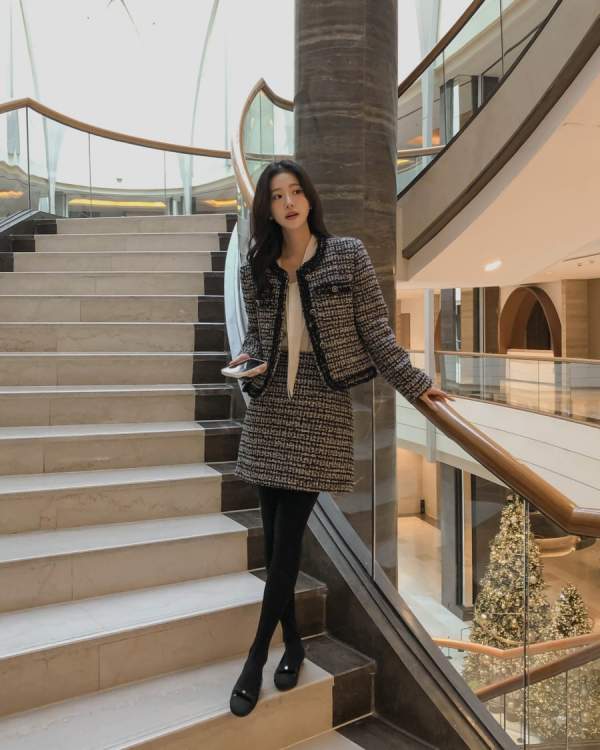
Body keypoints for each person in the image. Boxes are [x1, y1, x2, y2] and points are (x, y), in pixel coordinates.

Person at [226, 159, 453, 717]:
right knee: (275, 542)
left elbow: (376, 334)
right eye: (276, 196)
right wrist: (246, 366)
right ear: (267, 209)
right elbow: (256, 338)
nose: (288, 202)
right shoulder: (257, 267)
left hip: (321, 410)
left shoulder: (346, 255)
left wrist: (418, 385)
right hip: (271, 410)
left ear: (310, 198)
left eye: (295, 191)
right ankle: (294, 646)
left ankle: (255, 658)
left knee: (287, 545)